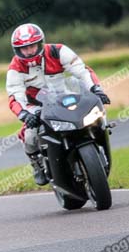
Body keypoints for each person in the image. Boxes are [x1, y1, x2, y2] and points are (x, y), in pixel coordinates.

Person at [6, 23, 111, 185]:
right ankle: (37, 164)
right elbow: (14, 96)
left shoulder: (58, 51)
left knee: (95, 111)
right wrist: (25, 114)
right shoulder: (15, 68)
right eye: (24, 48)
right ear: (17, 50)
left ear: (39, 43)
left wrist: (96, 89)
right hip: (37, 106)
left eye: (32, 46)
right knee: (30, 134)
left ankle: (102, 133)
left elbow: (82, 71)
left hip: (65, 96)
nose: (29, 51)